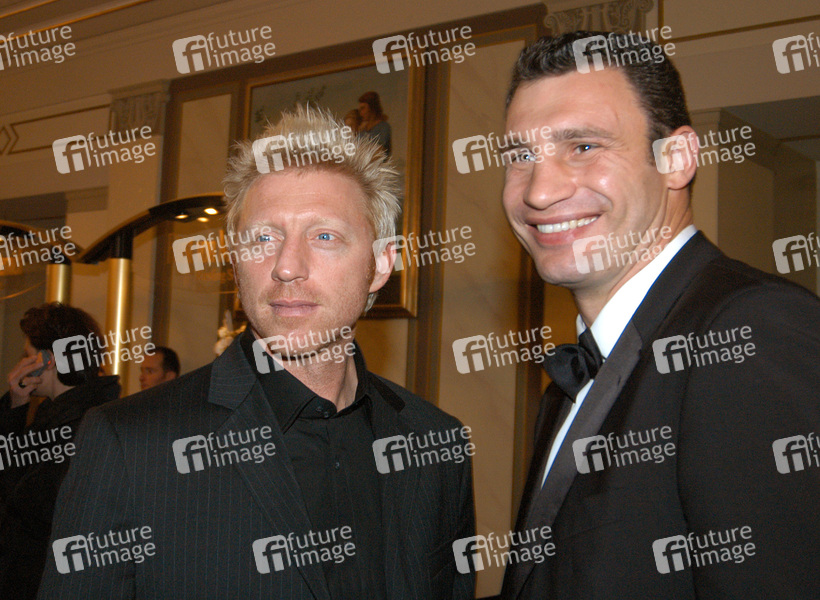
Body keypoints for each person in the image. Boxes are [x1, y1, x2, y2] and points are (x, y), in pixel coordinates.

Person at [39, 106, 475, 599]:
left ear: (380, 264)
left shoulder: (437, 445)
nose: (287, 266)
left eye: (324, 236)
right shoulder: (130, 445)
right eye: (264, 237)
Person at [499, 32, 820, 599]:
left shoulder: (748, 331)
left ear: (677, 159)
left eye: (584, 146)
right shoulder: (577, 375)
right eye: (520, 156)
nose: (540, 192)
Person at [0, 303, 120, 599]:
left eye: (27, 356)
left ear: (47, 361)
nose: (21, 364)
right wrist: (16, 406)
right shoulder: (61, 413)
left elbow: (20, 505)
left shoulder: (80, 423)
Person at [357, 91, 391, 155]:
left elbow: (379, 152)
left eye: (363, 108)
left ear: (372, 108)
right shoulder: (362, 130)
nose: (361, 113)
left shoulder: (383, 127)